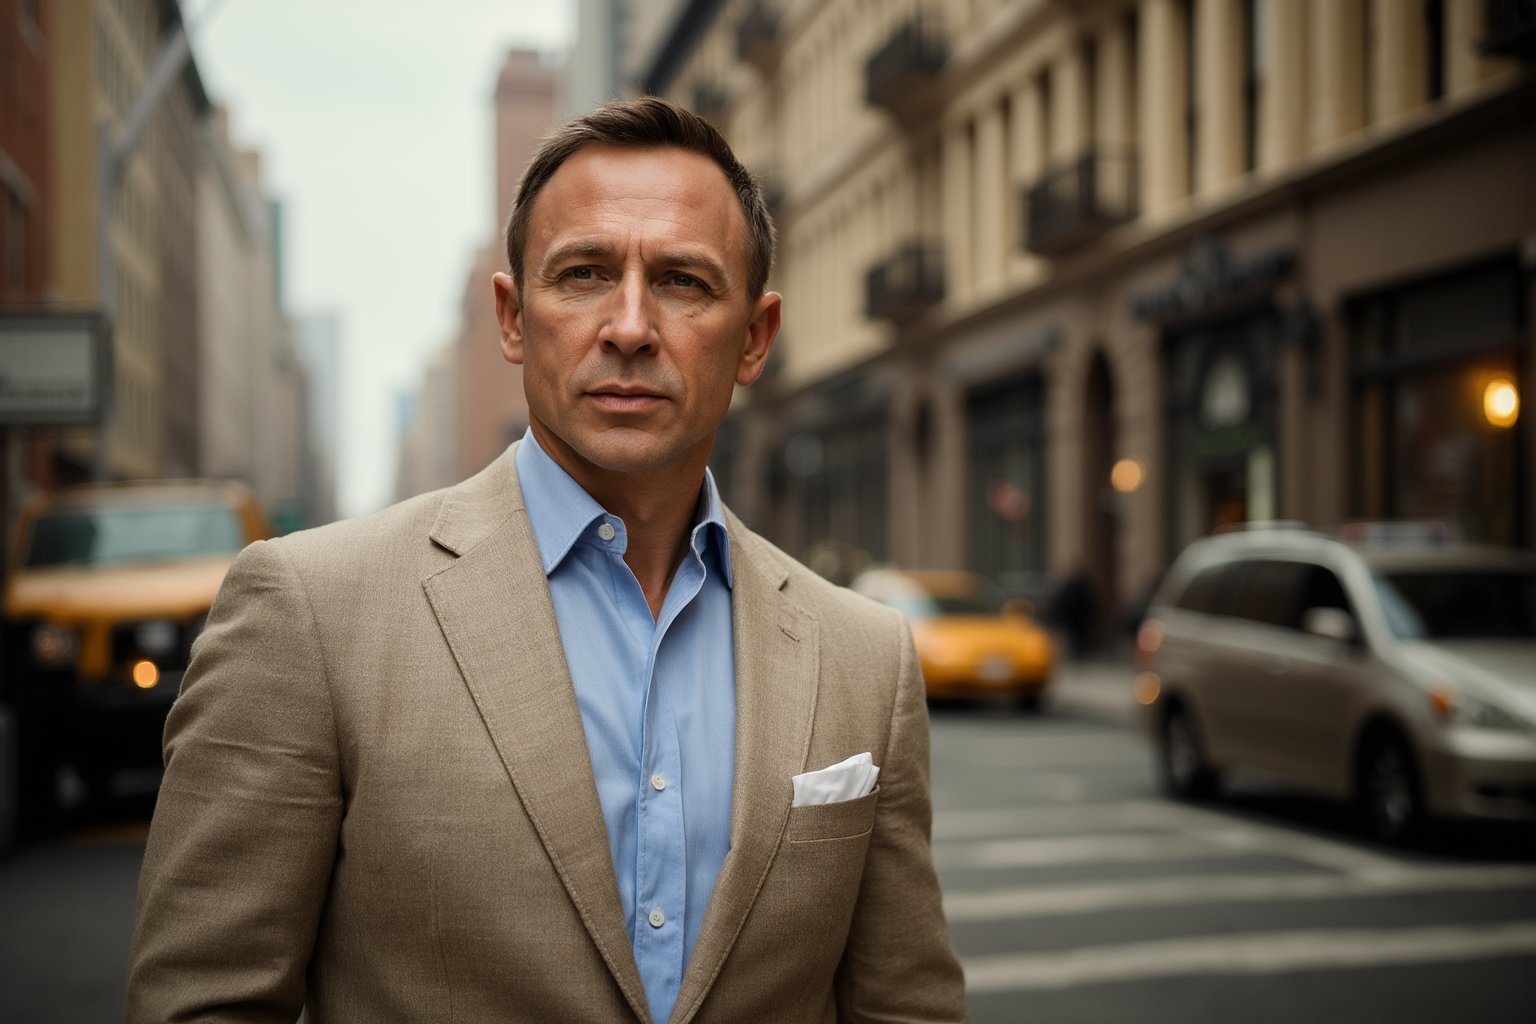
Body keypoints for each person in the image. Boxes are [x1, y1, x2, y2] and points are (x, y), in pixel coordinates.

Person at [126, 98, 967, 1024]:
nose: (631, 326)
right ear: (513, 317)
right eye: (584, 275)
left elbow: (907, 1006)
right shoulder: (308, 612)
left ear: (755, 339)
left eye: (685, 282)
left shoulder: (866, 655)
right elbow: (204, 1002)